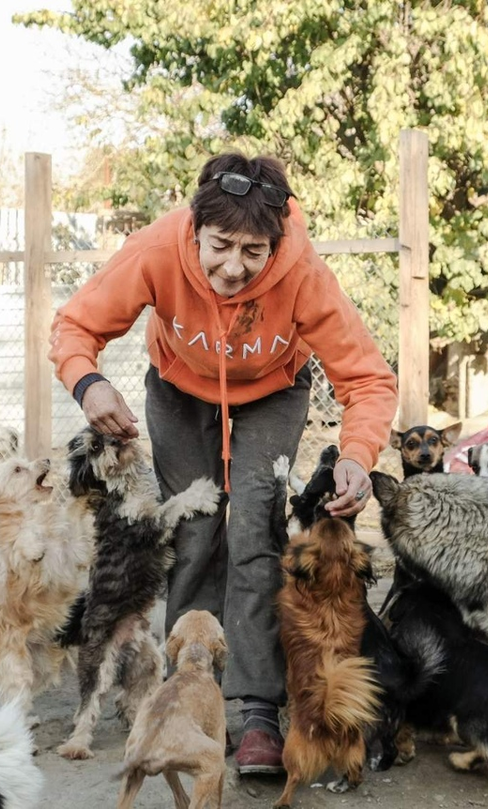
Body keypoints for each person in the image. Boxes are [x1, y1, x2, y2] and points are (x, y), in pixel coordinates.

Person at [47, 151, 398, 774]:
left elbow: (368, 380)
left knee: (256, 533)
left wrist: (357, 457)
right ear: (195, 229)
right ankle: (188, 693)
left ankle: (257, 709)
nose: (233, 268)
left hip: (272, 391)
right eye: (220, 246)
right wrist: (88, 385)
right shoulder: (157, 249)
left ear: (277, 244)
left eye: (253, 253)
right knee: (194, 533)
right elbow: (75, 326)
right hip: (179, 387)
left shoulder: (304, 272)